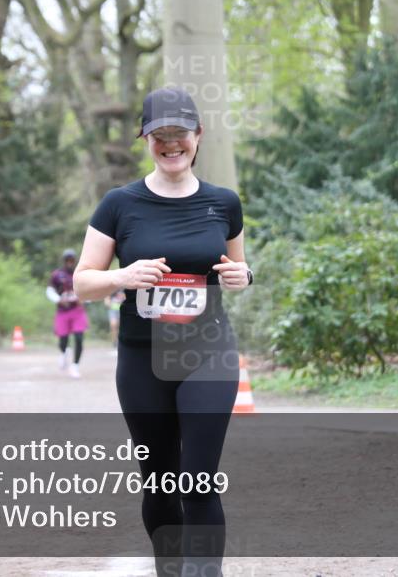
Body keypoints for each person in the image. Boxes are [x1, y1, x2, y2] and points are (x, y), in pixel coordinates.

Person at [74, 87, 253, 576]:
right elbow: (83, 282)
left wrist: (244, 276)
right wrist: (123, 276)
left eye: (180, 133)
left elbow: (237, 268)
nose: (171, 143)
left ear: (198, 136)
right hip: (142, 359)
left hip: (208, 353)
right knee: (160, 483)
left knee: (198, 480)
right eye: (160, 135)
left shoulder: (224, 203)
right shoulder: (118, 204)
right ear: (145, 139)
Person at [46, 248, 88, 378]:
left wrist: (84, 299)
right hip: (63, 311)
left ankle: (75, 365)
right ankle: (64, 352)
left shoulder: (80, 274)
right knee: (63, 340)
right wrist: (59, 300)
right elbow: (49, 290)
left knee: (79, 338)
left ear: (75, 261)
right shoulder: (57, 275)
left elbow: (89, 290)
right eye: (67, 260)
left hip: (77, 311)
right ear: (64, 261)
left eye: (72, 260)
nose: (70, 262)